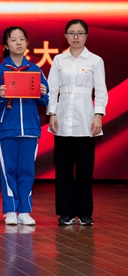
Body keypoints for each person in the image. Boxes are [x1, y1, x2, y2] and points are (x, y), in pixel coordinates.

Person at [0, 26, 48, 226]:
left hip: (30, 129)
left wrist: (43, 93)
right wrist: (0, 95)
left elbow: (47, 100)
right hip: (6, 129)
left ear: (27, 43)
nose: (18, 43)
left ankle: (25, 211)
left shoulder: (36, 70)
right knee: (8, 170)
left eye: (22, 39)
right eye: (13, 39)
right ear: (6, 45)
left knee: (27, 170)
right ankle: (11, 210)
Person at [47, 19, 107, 226]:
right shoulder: (59, 60)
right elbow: (52, 89)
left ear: (86, 36)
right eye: (71, 33)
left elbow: (101, 90)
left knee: (84, 169)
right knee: (63, 169)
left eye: (80, 33)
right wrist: (52, 113)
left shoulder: (95, 60)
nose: (75, 37)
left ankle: (84, 213)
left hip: (86, 119)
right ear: (65, 36)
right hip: (62, 118)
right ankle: (65, 213)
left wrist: (98, 114)